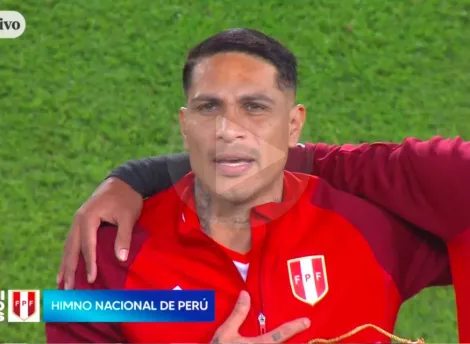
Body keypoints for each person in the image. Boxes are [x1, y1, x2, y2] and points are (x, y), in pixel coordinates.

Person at [48, 28, 453, 343]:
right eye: (210, 108)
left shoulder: (371, 231)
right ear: (185, 126)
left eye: (254, 108)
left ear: (293, 125)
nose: (228, 131)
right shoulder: (105, 257)